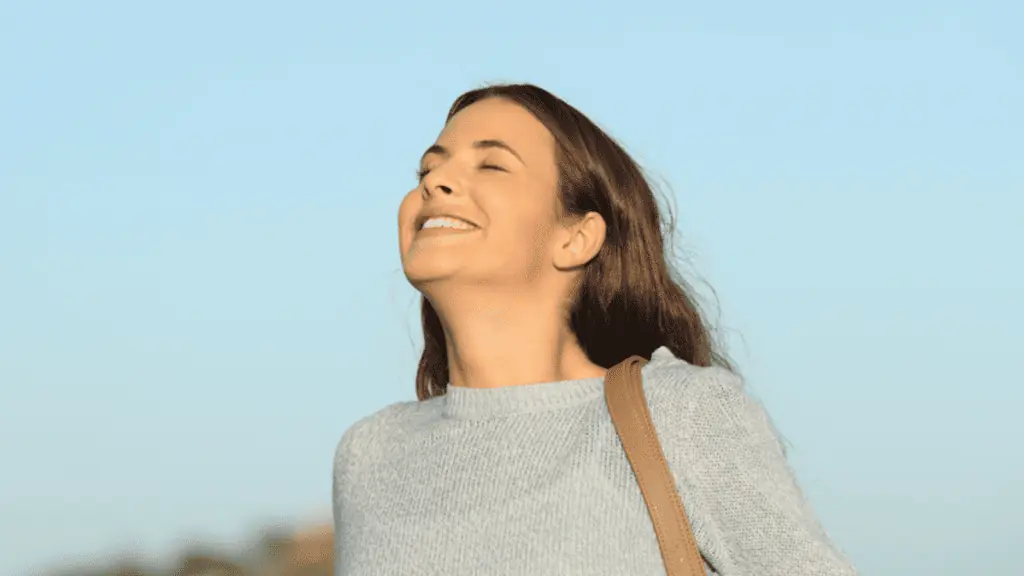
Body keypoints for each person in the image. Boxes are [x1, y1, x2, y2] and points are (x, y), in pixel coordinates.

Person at [332, 84, 858, 575]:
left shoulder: (679, 412)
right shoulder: (370, 455)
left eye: (492, 164)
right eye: (427, 168)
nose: (433, 183)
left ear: (577, 238)